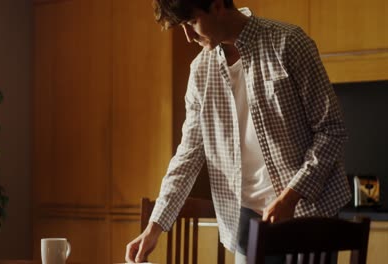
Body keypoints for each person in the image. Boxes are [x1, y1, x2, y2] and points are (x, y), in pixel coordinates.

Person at [125, 0, 351, 263]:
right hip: (245, 220)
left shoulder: (288, 42)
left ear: (218, 6)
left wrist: (290, 197)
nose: (188, 37)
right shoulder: (200, 72)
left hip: (306, 213)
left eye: (192, 23)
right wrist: (154, 228)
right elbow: (187, 155)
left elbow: (332, 129)